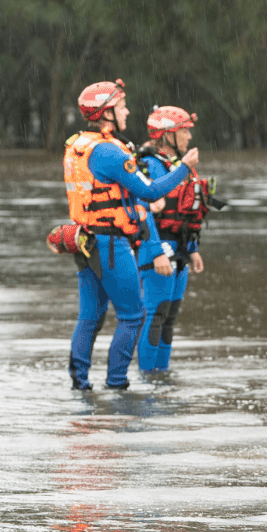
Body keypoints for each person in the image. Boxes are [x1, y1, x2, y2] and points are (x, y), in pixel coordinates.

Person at [63, 80, 199, 391]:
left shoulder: (78, 144)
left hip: (85, 240)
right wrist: (185, 167)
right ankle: (117, 385)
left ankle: (79, 384)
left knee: (90, 317)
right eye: (122, 107)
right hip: (111, 244)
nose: (127, 112)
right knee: (133, 315)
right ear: (106, 113)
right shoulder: (109, 151)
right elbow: (150, 191)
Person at [135, 105, 212, 373]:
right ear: (167, 135)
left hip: (179, 250)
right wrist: (156, 251)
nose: (189, 136)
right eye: (184, 131)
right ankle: (147, 381)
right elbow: (142, 211)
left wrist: (192, 249)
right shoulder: (147, 165)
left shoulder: (182, 166)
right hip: (155, 248)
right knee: (155, 316)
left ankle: (161, 377)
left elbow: (187, 212)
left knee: (169, 318)